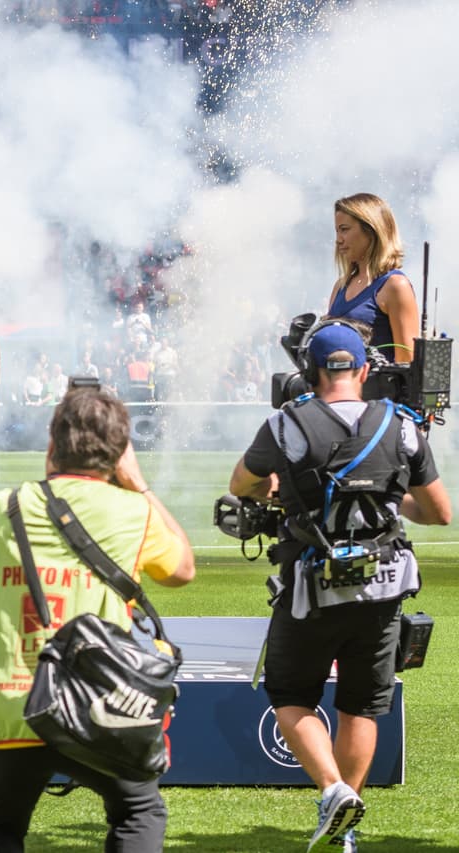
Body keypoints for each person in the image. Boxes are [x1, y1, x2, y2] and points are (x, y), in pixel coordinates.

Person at [228, 323, 450, 852]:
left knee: (290, 696)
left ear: (310, 371)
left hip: (310, 588)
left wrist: (280, 489)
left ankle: (332, 791)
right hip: (382, 589)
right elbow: (438, 511)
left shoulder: (284, 426)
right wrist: (387, 501)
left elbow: (241, 484)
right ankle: (347, 827)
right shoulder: (401, 426)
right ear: (364, 370)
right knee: (362, 707)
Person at [0, 387, 195, 852]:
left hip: (14, 705)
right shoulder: (135, 514)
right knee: (138, 812)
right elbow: (183, 570)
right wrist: (138, 483)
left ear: (52, 445)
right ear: (119, 454)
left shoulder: (0, 511)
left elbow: (45, 499)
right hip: (97, 704)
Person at [326, 193, 420, 364]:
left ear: (371, 230)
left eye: (345, 229)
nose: (338, 240)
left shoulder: (395, 286)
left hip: (379, 390)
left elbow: (407, 364)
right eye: (337, 231)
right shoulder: (340, 286)